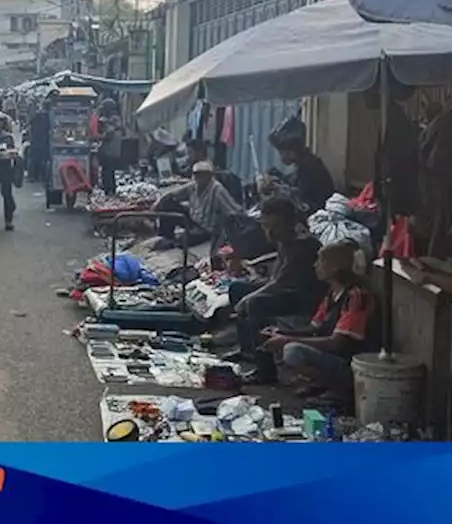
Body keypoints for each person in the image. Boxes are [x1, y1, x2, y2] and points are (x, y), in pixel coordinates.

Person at [260, 241, 376, 398]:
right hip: (332, 357)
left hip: (349, 365)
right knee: (284, 337)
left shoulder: (355, 296)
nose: (315, 265)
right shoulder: (332, 293)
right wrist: (280, 332)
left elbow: (336, 343)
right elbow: (313, 327)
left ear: (335, 266)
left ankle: (339, 389)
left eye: (321, 260)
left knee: (293, 351)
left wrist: (286, 339)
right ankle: (320, 383)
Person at [230, 196, 325, 383]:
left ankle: (265, 371)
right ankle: (248, 350)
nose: (270, 233)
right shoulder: (283, 239)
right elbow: (278, 265)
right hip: (288, 291)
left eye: (274, 227)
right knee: (237, 288)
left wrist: (249, 298)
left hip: (305, 299)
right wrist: (254, 265)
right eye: (266, 227)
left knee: (255, 304)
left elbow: (281, 283)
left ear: (289, 222)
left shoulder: (302, 244)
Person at [152, 161, 244, 247]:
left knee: (183, 240)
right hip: (193, 219)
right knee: (167, 202)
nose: (198, 177)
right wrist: (158, 202)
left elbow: (233, 210)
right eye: (196, 174)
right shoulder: (193, 185)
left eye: (201, 175)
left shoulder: (217, 189)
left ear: (209, 175)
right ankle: (166, 236)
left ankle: (174, 242)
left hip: (206, 228)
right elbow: (172, 194)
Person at [268, 122, 335, 213]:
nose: (280, 156)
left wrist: (275, 188)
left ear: (292, 151)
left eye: (281, 152)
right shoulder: (304, 163)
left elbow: (299, 196)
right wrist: (274, 177)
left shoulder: (310, 166)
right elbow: (292, 182)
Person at [95, 99, 123, 196]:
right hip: (113, 151)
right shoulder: (115, 119)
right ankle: (110, 189)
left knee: (107, 172)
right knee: (109, 171)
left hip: (109, 151)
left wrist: (98, 137)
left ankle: (109, 190)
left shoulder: (113, 119)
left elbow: (109, 135)